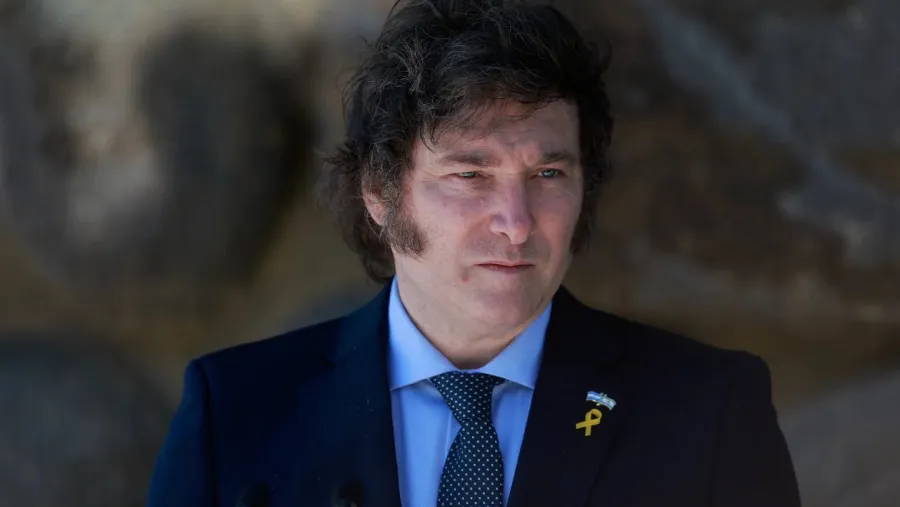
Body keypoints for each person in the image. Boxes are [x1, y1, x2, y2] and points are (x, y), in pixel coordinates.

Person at [146, 1, 801, 506]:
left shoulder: (708, 410)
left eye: (548, 173)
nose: (516, 223)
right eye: (470, 174)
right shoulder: (236, 411)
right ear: (379, 191)